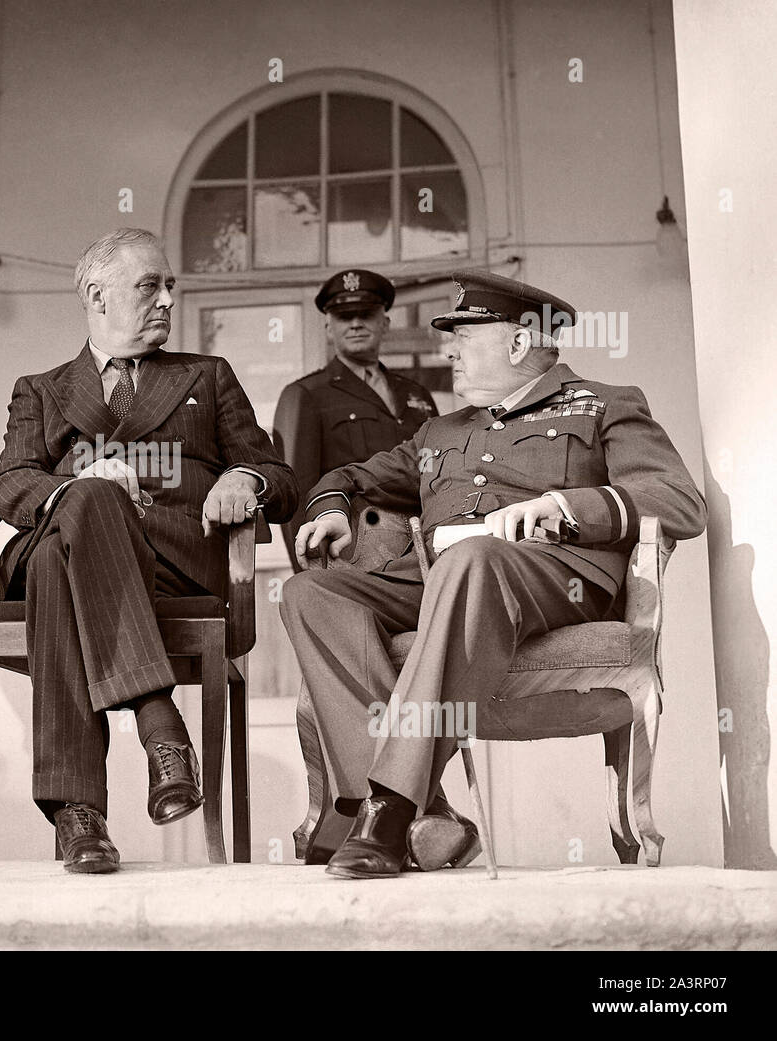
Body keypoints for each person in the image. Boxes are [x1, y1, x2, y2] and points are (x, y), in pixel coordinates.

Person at [279, 269, 707, 879]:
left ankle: (388, 810)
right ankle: (429, 813)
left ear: (517, 343)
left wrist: (563, 509)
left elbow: (677, 500)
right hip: (439, 583)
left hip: (553, 581)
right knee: (310, 591)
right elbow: (347, 475)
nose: (447, 350)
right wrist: (333, 511)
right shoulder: (441, 430)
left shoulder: (606, 403)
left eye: (465, 335)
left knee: (472, 559)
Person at [0, 227, 297, 874]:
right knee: (85, 508)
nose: (166, 301)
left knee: (53, 561)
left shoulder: (205, 377)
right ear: (98, 296)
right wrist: (80, 489)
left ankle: (79, 815)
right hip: (81, 542)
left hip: (176, 559)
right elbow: (8, 482)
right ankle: (161, 725)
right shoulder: (41, 388)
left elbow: (279, 473)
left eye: (170, 287)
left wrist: (246, 478)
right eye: (149, 286)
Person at [273, 269, 437, 571]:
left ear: (385, 323)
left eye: (366, 314)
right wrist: (311, 566)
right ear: (328, 328)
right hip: (353, 552)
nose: (356, 323)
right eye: (345, 317)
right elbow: (297, 490)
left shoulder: (417, 393)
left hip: (423, 549)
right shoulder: (307, 394)